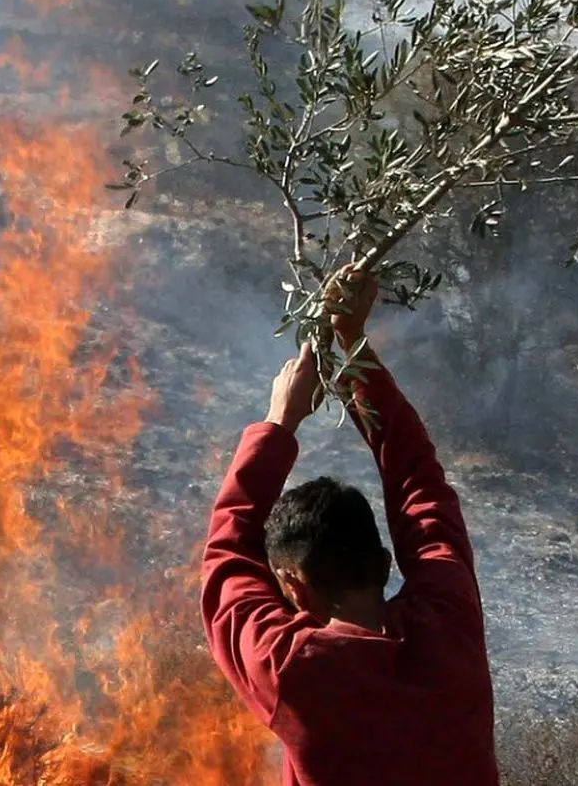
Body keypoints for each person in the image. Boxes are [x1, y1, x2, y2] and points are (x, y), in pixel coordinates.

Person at [201, 265, 499, 785]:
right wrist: (353, 345)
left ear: (293, 584)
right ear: (384, 561)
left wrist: (281, 421)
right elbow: (420, 487)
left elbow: (227, 559)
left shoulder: (295, 669)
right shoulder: (451, 625)